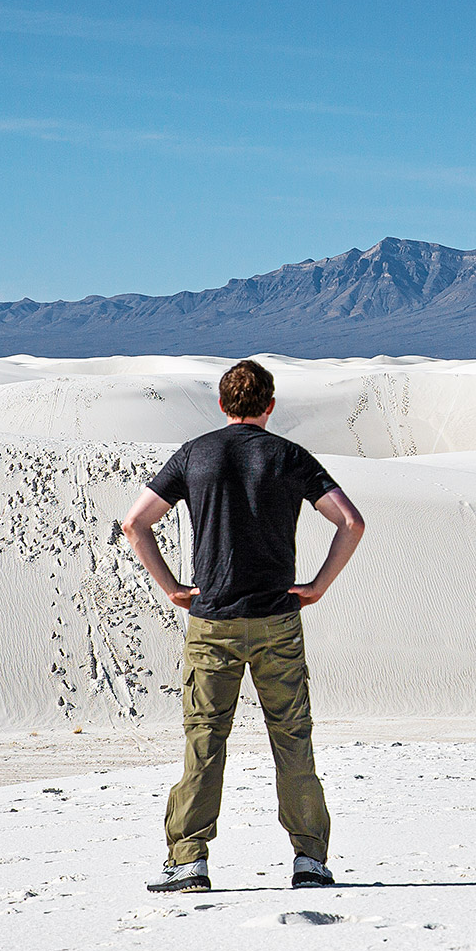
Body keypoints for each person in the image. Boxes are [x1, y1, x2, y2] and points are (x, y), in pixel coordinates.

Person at [121, 358, 365, 894]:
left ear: (222, 405)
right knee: (292, 740)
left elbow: (135, 523)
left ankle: (188, 862)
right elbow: (351, 522)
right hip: (278, 619)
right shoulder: (289, 456)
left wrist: (171, 587)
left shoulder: (195, 454)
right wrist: (319, 585)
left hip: (212, 623)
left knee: (205, 740)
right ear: (270, 405)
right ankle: (310, 862)